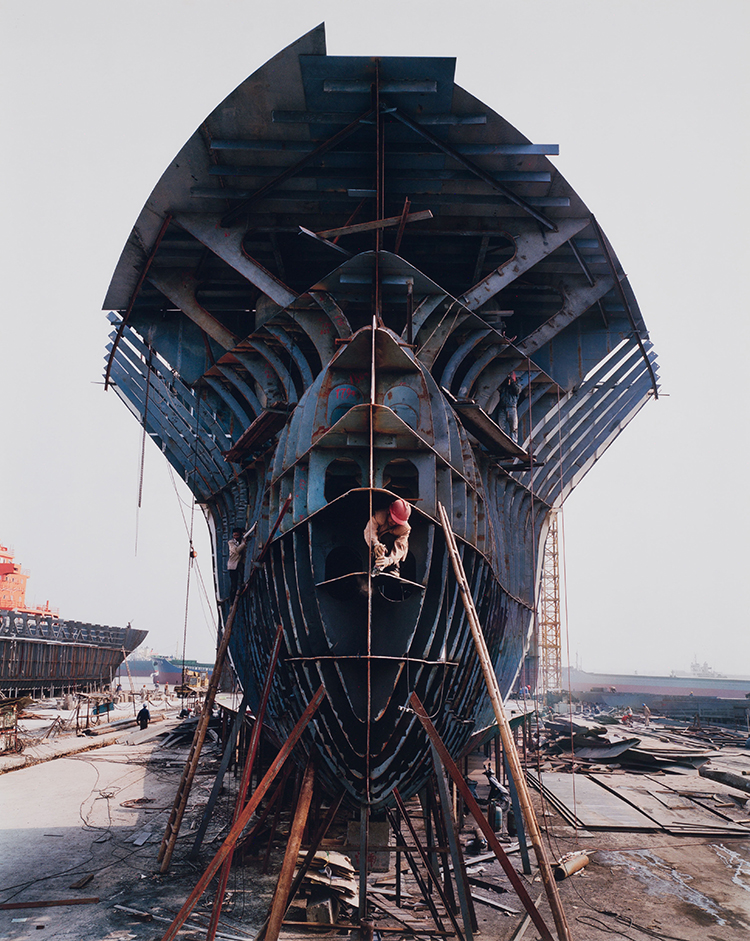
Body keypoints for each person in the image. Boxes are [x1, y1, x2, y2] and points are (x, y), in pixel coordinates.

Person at [364, 499, 412, 577]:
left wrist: (390, 560)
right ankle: (374, 566)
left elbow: (400, 547)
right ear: (388, 512)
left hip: (392, 553)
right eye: (393, 519)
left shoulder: (405, 529)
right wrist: (376, 544)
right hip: (377, 544)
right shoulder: (378, 516)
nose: (393, 523)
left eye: (397, 522)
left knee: (389, 538)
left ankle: (394, 568)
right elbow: (370, 531)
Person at [227, 526, 253, 599]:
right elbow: (237, 551)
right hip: (233, 565)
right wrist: (243, 544)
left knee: (242, 581)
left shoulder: (242, 540)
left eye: (237, 535)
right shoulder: (231, 542)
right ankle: (232, 600)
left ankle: (241, 594)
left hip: (240, 563)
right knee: (234, 584)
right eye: (234, 535)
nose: (235, 537)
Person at [498, 372, 521, 442]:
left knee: (513, 428)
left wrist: (512, 382)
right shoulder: (504, 387)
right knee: (501, 427)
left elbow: (517, 391)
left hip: (512, 408)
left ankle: (514, 441)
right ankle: (502, 441)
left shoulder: (517, 386)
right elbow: (499, 389)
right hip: (503, 408)